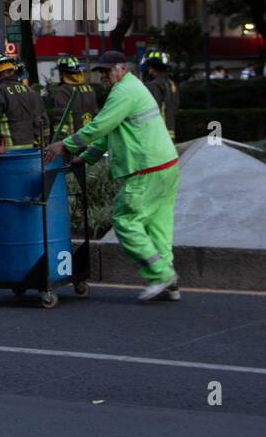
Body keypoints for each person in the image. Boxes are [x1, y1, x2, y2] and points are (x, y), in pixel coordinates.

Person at [44, 51, 181, 302]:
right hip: (165, 164)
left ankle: (160, 275)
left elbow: (101, 126)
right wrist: (86, 158)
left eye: (107, 71)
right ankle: (168, 280)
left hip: (145, 168)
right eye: (101, 72)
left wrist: (65, 145)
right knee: (158, 226)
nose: (103, 76)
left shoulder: (123, 92)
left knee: (125, 220)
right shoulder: (133, 88)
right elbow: (112, 133)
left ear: (122, 68)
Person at [50, 54, 98, 140]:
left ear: (62, 73)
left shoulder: (64, 90)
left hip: (73, 142)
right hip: (90, 139)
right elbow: (95, 114)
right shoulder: (89, 89)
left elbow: (62, 119)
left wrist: (59, 141)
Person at [140, 50, 179, 141]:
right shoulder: (171, 83)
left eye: (149, 67)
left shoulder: (154, 85)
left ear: (152, 68)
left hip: (158, 133)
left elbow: (152, 110)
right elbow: (175, 106)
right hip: (170, 130)